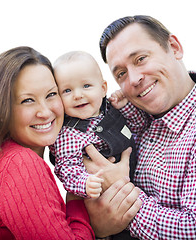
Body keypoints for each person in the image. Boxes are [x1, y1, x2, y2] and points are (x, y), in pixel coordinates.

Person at [82, 15, 196, 239]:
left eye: (140, 59)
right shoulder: (135, 117)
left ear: (174, 48)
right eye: (121, 73)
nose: (134, 79)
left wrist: (120, 195)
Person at [0, 46, 140, 239]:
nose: (45, 112)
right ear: (1, 110)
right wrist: (88, 215)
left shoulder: (2, 157)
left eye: (51, 94)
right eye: (27, 100)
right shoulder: (21, 164)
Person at [50, 51, 138, 239]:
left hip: (137, 188)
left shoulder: (111, 109)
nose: (78, 95)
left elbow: (137, 128)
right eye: (67, 91)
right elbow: (66, 168)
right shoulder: (69, 134)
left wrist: (126, 106)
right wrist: (84, 183)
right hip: (103, 201)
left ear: (103, 88)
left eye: (86, 86)